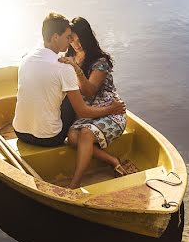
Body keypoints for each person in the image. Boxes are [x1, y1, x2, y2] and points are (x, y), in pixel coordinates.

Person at [13, 12, 125, 152]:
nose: (71, 43)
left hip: (19, 131)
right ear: (55, 37)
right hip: (50, 138)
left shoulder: (25, 59)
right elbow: (82, 110)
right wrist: (112, 109)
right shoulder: (64, 66)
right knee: (70, 99)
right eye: (68, 38)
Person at [58, 16, 137, 189]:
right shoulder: (71, 56)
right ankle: (112, 160)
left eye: (80, 40)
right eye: (72, 39)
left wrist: (77, 70)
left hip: (111, 111)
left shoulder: (100, 62)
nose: (76, 44)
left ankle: (75, 183)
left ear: (87, 38)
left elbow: (89, 90)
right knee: (72, 138)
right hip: (86, 112)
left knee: (86, 134)